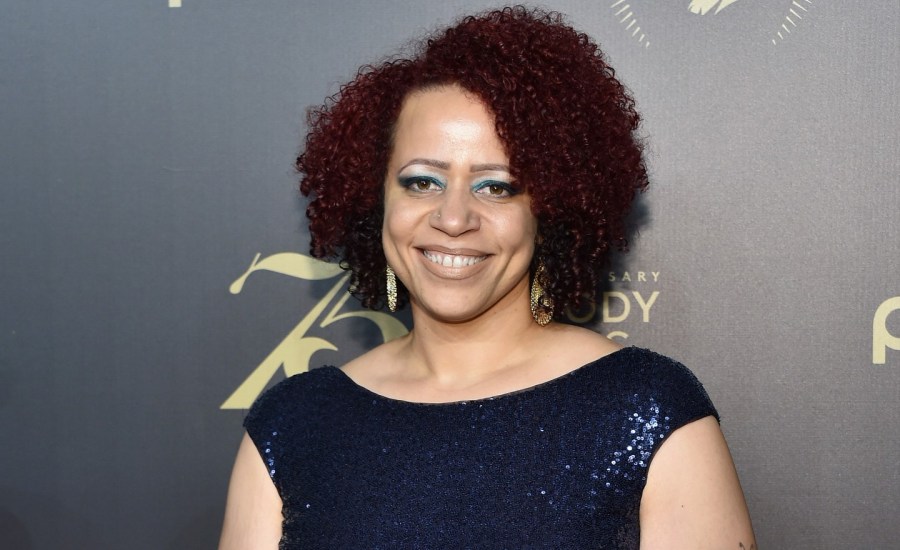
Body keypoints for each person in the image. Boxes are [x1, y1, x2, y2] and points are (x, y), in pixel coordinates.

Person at [220, 7, 756, 549]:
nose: (453, 218)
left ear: (549, 208)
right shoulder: (293, 425)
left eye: (496, 187)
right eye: (422, 182)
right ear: (374, 197)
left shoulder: (646, 408)